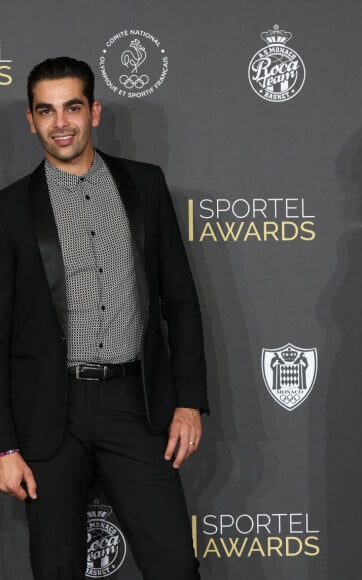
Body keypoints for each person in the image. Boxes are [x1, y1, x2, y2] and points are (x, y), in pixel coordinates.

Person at [0, 57, 208, 580]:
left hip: (133, 406)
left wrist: (188, 400)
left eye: (72, 107)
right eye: (46, 111)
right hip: (48, 415)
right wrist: (3, 445)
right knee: (56, 569)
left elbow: (179, 300)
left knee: (176, 567)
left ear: (94, 110)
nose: (60, 122)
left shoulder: (145, 185)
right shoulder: (8, 209)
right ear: (31, 120)